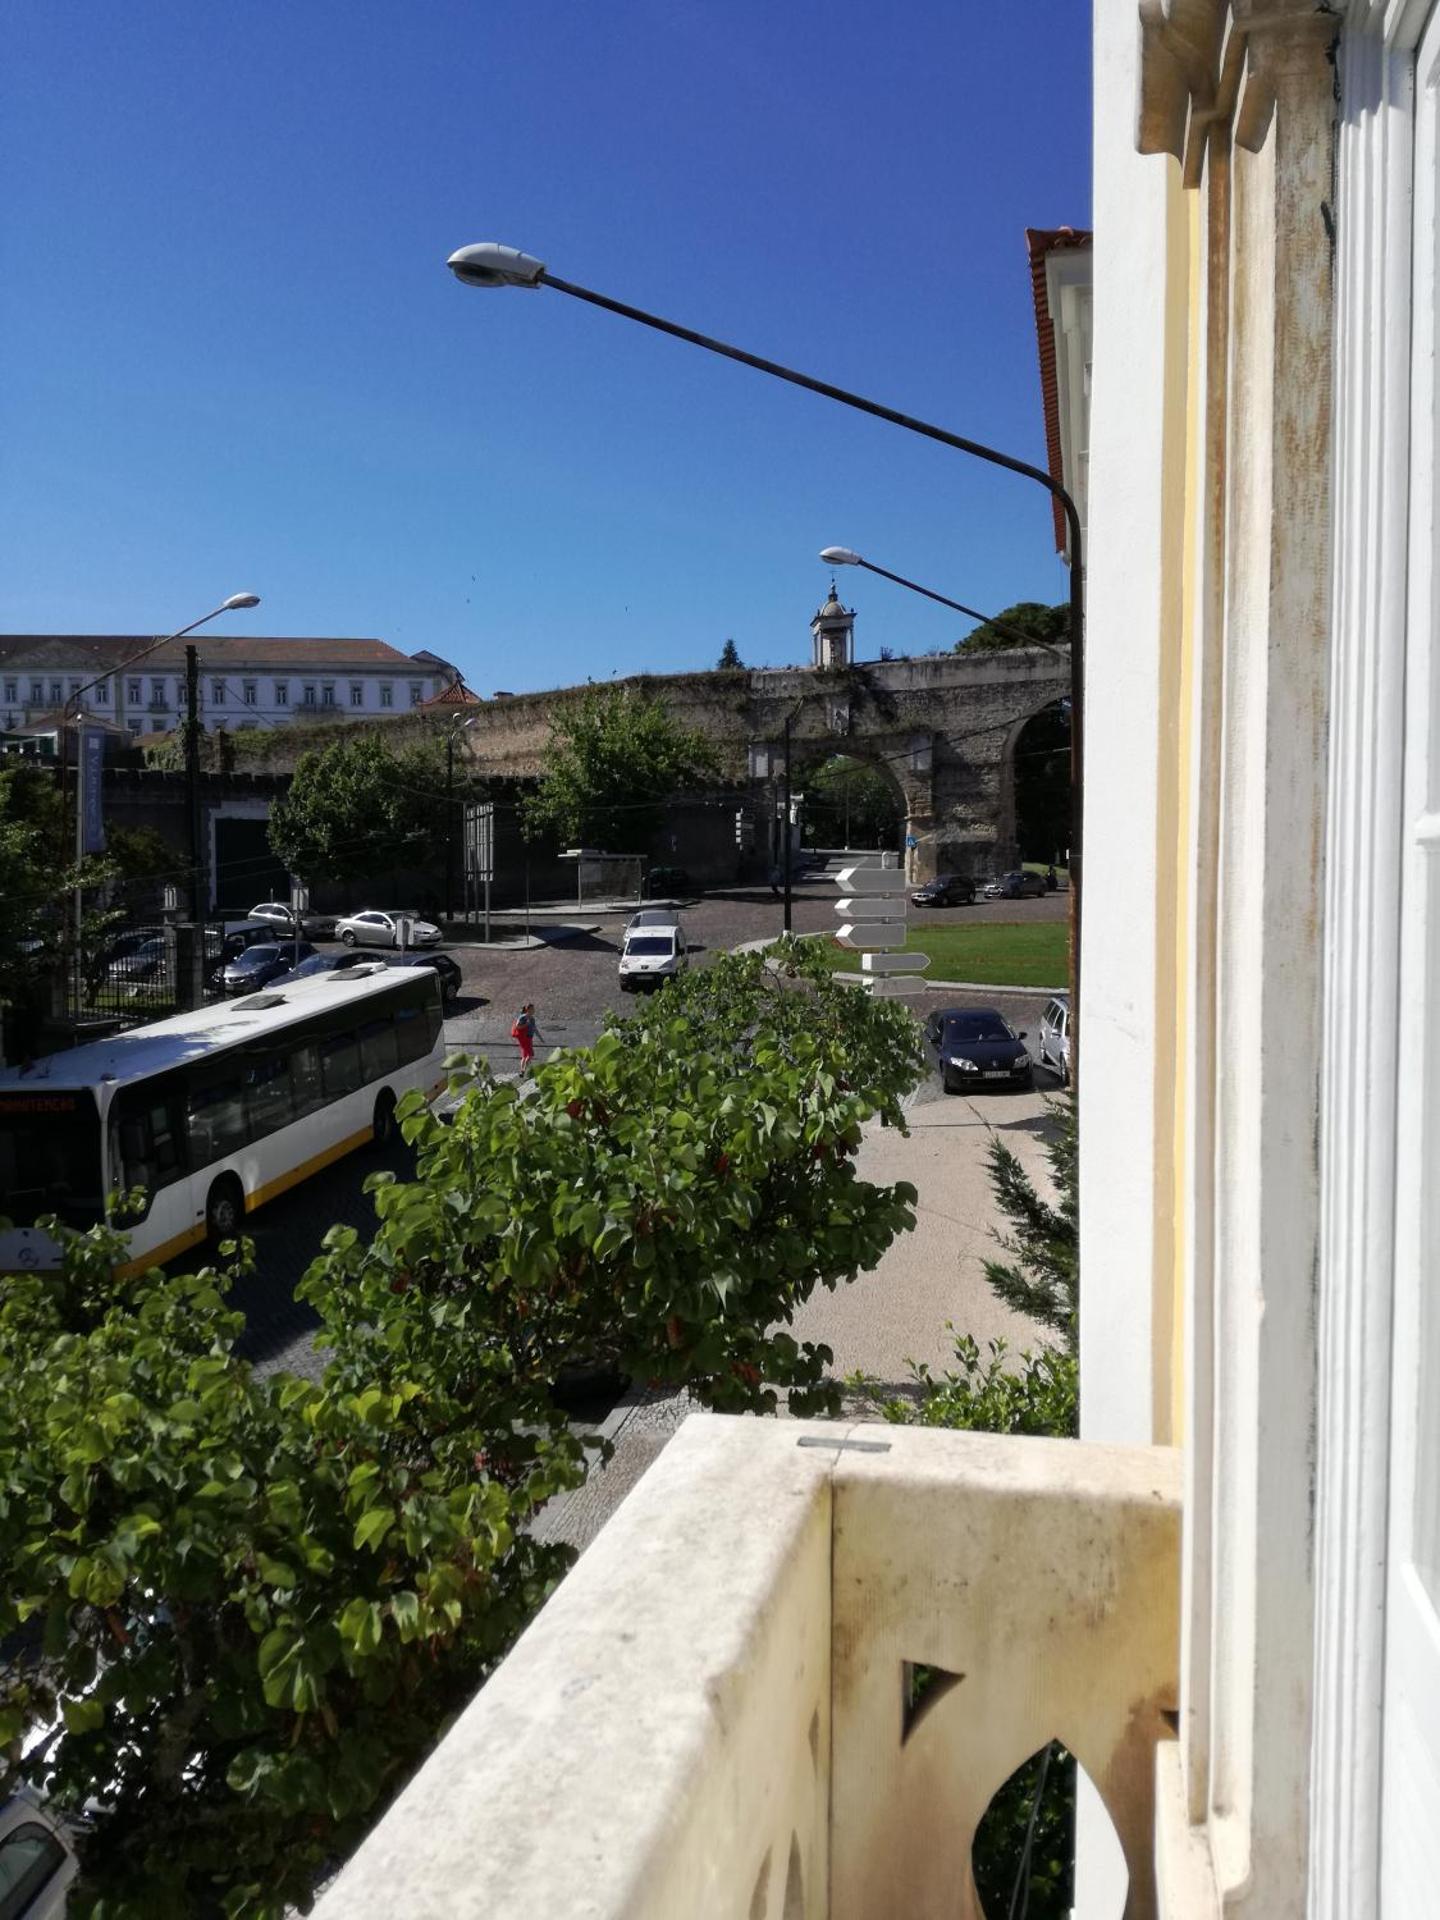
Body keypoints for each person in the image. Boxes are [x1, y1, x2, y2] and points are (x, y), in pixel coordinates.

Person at [511, 1002, 544, 1077]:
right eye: (532, 1009)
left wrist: (540, 1038)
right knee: (531, 1055)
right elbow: (517, 1027)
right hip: (525, 1038)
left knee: (524, 1055)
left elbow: (534, 1029)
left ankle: (522, 1070)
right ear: (528, 1009)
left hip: (528, 1038)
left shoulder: (532, 1019)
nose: (534, 1010)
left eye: (533, 1009)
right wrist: (526, 1024)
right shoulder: (523, 1017)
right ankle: (523, 1070)